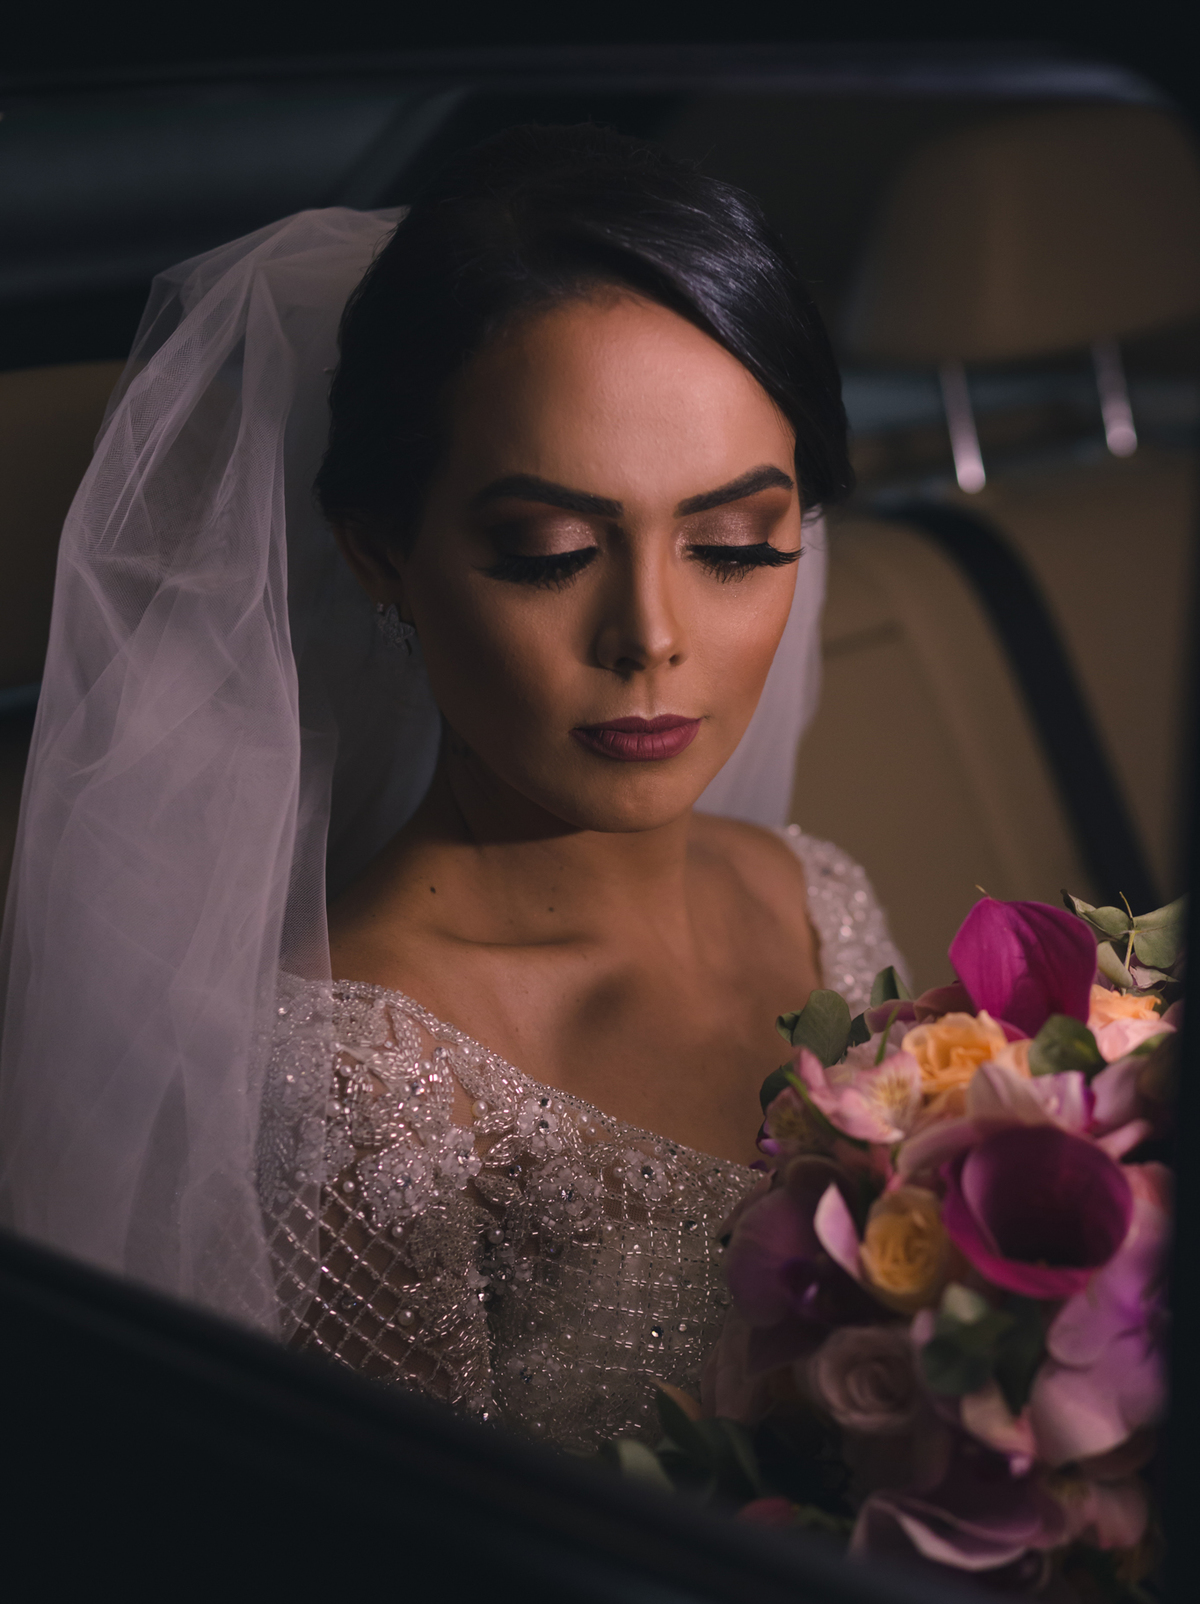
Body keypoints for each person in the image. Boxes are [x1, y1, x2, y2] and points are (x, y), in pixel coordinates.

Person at [0, 125, 902, 1452]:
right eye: (546, 551)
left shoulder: (818, 894)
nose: (649, 635)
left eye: (731, 544)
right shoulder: (353, 1091)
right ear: (381, 554)